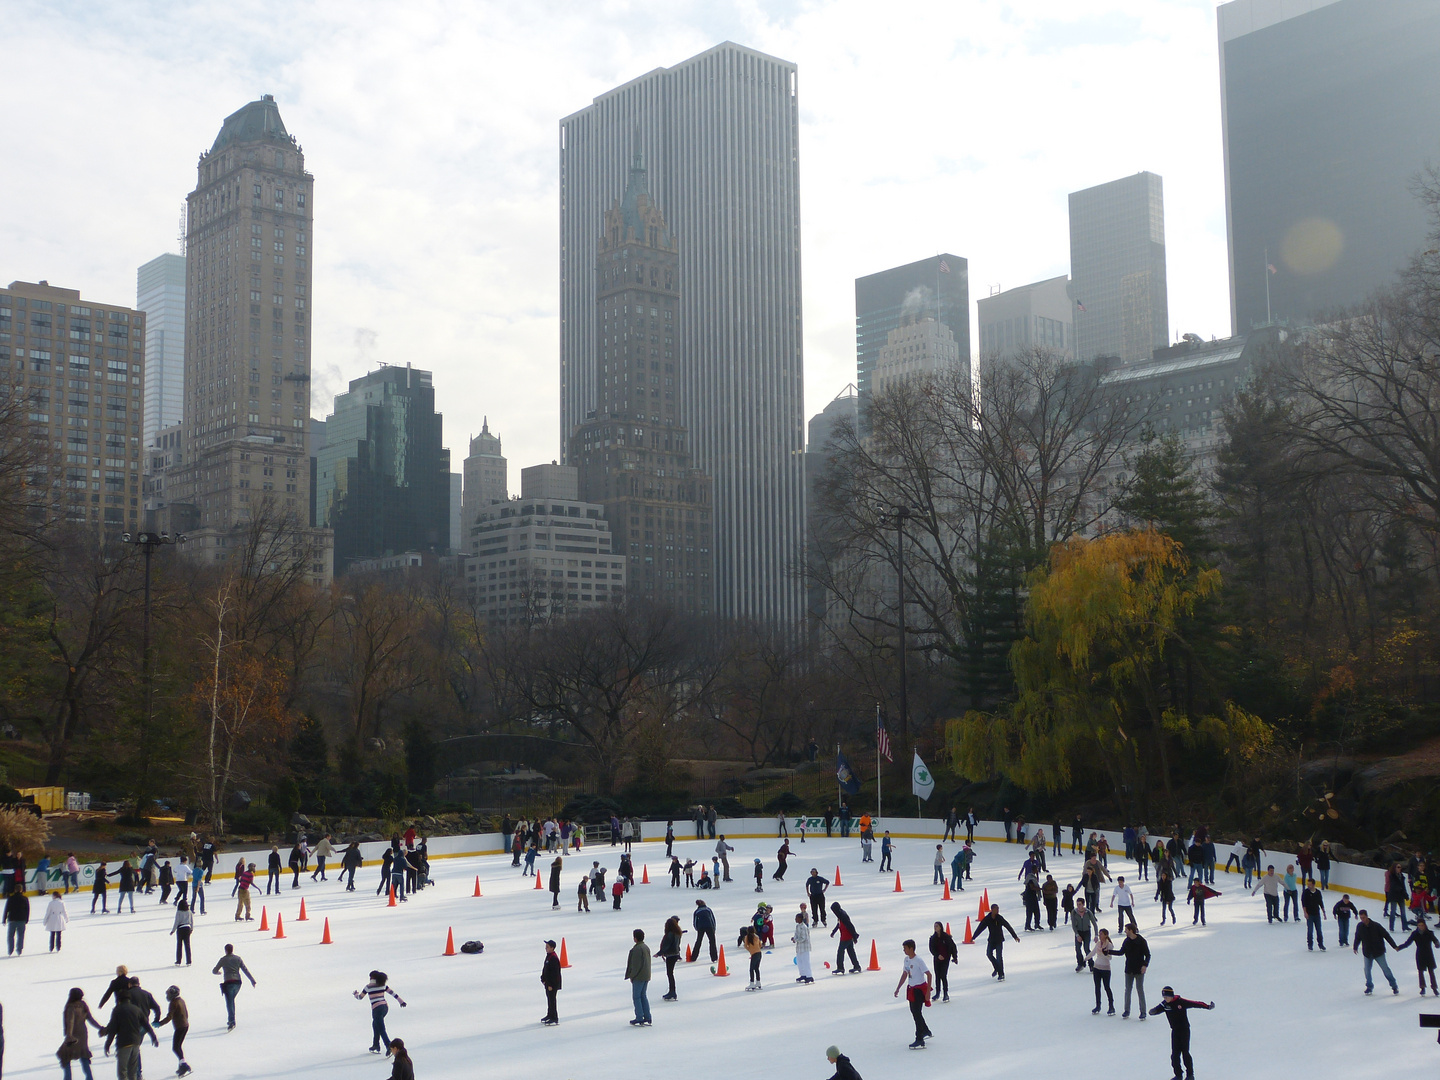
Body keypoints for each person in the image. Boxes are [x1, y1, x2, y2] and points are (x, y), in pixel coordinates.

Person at [1149, 987, 1214, 1080]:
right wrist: (1153, 1012)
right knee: (1175, 1054)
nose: (1165, 999)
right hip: (1175, 1031)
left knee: (1185, 1052)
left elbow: (1194, 1004)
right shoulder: (1164, 1004)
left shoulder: (1180, 1002)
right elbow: (1156, 1010)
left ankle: (1190, 1075)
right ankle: (1178, 1075)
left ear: (1171, 996)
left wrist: (1207, 1006)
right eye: (1164, 997)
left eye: (1167, 996)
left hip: (1184, 1030)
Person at [100, 987, 157, 1080]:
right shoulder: (136, 1009)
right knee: (132, 1072)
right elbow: (146, 1025)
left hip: (123, 1044)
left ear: (119, 999)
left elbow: (113, 1029)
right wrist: (153, 1037)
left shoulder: (117, 1010)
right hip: (135, 1043)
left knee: (122, 1072)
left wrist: (107, 1044)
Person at [893, 939, 933, 1048]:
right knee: (915, 1012)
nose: (904, 950)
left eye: (905, 948)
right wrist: (898, 988)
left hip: (919, 990)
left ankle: (919, 1038)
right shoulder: (906, 960)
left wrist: (928, 992)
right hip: (911, 989)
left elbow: (929, 975)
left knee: (916, 1013)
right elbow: (905, 974)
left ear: (911, 948)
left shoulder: (918, 960)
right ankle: (925, 1030)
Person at [355, 970, 406, 1054]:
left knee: (381, 1028)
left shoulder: (368, 987)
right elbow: (393, 993)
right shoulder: (383, 985)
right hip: (385, 1007)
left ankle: (389, 1046)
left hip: (376, 1009)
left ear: (371, 977)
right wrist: (401, 1001)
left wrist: (355, 994)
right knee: (375, 1024)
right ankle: (375, 1044)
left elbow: (360, 997)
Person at [1353, 909, 1401, 995]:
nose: (1362, 919)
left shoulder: (1376, 926)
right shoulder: (1360, 926)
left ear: (1367, 916)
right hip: (1367, 952)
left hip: (1378, 952)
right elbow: (1358, 937)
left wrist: (1394, 946)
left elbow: (1386, 935)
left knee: (1386, 969)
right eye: (1361, 918)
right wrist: (1355, 947)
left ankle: (1394, 986)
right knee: (1367, 970)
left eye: (1363, 917)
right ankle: (1369, 986)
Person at [59, 987, 102, 1080]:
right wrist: (100, 1027)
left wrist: (69, 1036)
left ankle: (68, 1078)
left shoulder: (71, 1007)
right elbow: (90, 1019)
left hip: (73, 1036)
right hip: (83, 1035)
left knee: (64, 1056)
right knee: (83, 1055)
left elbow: (70, 1021)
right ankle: (89, 1078)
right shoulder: (83, 1005)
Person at [212, 943, 256, 1029]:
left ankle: (232, 1021)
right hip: (237, 982)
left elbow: (214, 970)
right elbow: (245, 970)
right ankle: (231, 1020)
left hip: (228, 982)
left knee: (230, 1001)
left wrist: (218, 973)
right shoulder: (238, 959)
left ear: (225, 950)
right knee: (231, 1000)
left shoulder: (223, 960)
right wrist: (252, 980)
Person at [1112, 923, 1150, 1019]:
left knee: (1139, 989)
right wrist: (1109, 952)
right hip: (1129, 969)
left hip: (1139, 969)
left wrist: (1145, 965)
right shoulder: (1127, 941)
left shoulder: (1141, 941)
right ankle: (1127, 1010)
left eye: (1126, 930)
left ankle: (1143, 1012)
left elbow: (1148, 955)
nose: (1125, 931)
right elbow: (1121, 952)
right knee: (1128, 990)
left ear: (1131, 930)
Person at [975, 903, 1019, 981]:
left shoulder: (999, 918)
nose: (998, 910)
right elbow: (980, 928)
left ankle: (1001, 974)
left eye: (998, 908)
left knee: (999, 957)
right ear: (992, 910)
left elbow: (1008, 926)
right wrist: (973, 937)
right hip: (991, 940)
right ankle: (996, 967)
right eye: (996, 909)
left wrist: (1015, 936)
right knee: (989, 954)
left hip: (999, 940)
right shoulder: (987, 919)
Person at [1398, 916, 1440, 995]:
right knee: (1420, 971)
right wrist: (1399, 947)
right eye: (1419, 925)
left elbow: (1435, 940)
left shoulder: (1429, 933)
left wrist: (1437, 944)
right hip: (1420, 954)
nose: (1420, 927)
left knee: (1431, 971)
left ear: (1425, 925)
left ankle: (1434, 988)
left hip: (1429, 954)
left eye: (1422, 925)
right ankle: (1422, 987)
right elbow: (1408, 943)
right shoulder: (1415, 934)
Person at [155, 985, 190, 1076]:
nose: (167, 996)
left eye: (168, 994)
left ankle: (184, 1065)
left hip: (180, 1027)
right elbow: (186, 1013)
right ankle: (181, 1065)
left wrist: (160, 1023)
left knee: (175, 1047)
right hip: (185, 1025)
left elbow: (169, 1017)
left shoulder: (173, 1003)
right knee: (178, 1046)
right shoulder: (181, 1000)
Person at [625, 928, 653, 1026]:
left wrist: (632, 976)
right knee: (643, 995)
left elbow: (636, 965)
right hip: (646, 975)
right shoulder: (646, 947)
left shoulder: (637, 949)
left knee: (637, 997)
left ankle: (639, 1017)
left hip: (639, 976)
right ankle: (647, 1016)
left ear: (635, 938)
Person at [1088, 928, 1116, 1015]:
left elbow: (1110, 957)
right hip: (1097, 968)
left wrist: (1104, 954)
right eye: (1099, 934)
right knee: (1097, 987)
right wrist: (1086, 959)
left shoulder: (1109, 945)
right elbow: (1093, 952)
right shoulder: (1098, 944)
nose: (1099, 936)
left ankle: (1111, 1006)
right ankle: (1098, 1006)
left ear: (1106, 935)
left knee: (1107, 987)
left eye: (1101, 934)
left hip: (1105, 969)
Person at [928, 920, 957, 1002]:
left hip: (945, 959)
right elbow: (932, 949)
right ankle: (937, 992)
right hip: (937, 959)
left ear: (940, 927)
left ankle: (945, 993)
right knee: (937, 975)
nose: (935, 928)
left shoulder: (946, 937)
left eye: (936, 926)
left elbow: (953, 947)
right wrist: (937, 955)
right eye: (934, 926)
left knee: (943, 975)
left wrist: (955, 957)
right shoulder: (933, 938)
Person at [830, 902, 862, 974]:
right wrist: (833, 932)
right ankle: (857, 966)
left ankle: (840, 968)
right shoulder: (840, 914)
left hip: (846, 937)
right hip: (847, 936)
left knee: (840, 952)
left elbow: (850, 925)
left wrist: (854, 936)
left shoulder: (843, 915)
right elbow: (839, 924)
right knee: (851, 952)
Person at [656, 916, 684, 1000]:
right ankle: (672, 991)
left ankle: (672, 991)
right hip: (675, 954)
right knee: (670, 973)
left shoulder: (670, 934)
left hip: (670, 955)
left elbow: (666, 945)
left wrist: (659, 953)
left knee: (670, 973)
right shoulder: (677, 933)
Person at [1072, 897, 1098, 972]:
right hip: (1079, 932)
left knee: (1086, 948)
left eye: (1080, 904)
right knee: (1077, 948)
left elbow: (1094, 924)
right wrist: (1077, 935)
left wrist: (1096, 935)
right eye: (1077, 904)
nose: (1078, 906)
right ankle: (1080, 963)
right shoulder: (1074, 912)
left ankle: (1091, 965)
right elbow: (1073, 925)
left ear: (1083, 904)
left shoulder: (1088, 912)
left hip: (1086, 932)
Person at [540, 940, 562, 1024]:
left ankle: (554, 1017)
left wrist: (550, 984)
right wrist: (543, 978)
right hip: (547, 983)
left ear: (552, 948)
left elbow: (554, 973)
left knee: (552, 1000)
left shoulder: (553, 958)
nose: (546, 948)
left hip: (552, 984)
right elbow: (545, 969)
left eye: (547, 947)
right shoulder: (549, 956)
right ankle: (549, 1014)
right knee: (549, 999)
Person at [1301, 880, 1327, 950]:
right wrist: (1305, 912)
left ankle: (1321, 944)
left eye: (1310, 884)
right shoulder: (1306, 892)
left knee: (1319, 930)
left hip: (1316, 914)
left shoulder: (1318, 892)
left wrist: (1323, 911)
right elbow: (1304, 903)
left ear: (1313, 885)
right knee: (1310, 930)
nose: (1308, 886)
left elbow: (1320, 902)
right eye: (1308, 884)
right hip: (1309, 914)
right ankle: (1310, 945)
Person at [3, 884, 27, 954]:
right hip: (21, 919)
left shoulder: (11, 898)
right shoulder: (24, 898)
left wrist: (4, 919)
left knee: (10, 936)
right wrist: (26, 919)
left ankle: (10, 950)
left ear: (15, 890)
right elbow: (27, 910)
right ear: (21, 890)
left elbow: (6, 909)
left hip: (12, 919)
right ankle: (19, 950)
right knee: (21, 935)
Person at [170, 896, 193, 966]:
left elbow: (176, 922)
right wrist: (191, 928)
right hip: (187, 928)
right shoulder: (189, 912)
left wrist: (173, 930)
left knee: (179, 945)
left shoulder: (179, 912)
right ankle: (189, 961)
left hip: (180, 929)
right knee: (187, 945)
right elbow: (191, 921)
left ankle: (178, 961)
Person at [794, 911, 814, 983]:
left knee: (806, 961)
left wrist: (796, 939)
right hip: (799, 948)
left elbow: (803, 938)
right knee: (800, 961)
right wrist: (794, 938)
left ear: (800, 919)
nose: (795, 919)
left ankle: (809, 976)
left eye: (796, 918)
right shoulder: (797, 926)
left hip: (805, 947)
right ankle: (803, 974)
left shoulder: (804, 927)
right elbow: (796, 934)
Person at [742, 925, 764, 990]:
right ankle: (758, 982)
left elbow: (745, 945)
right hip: (759, 953)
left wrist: (750, 950)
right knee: (756, 968)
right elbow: (760, 945)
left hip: (754, 954)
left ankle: (752, 983)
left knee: (751, 969)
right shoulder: (756, 937)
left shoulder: (747, 937)